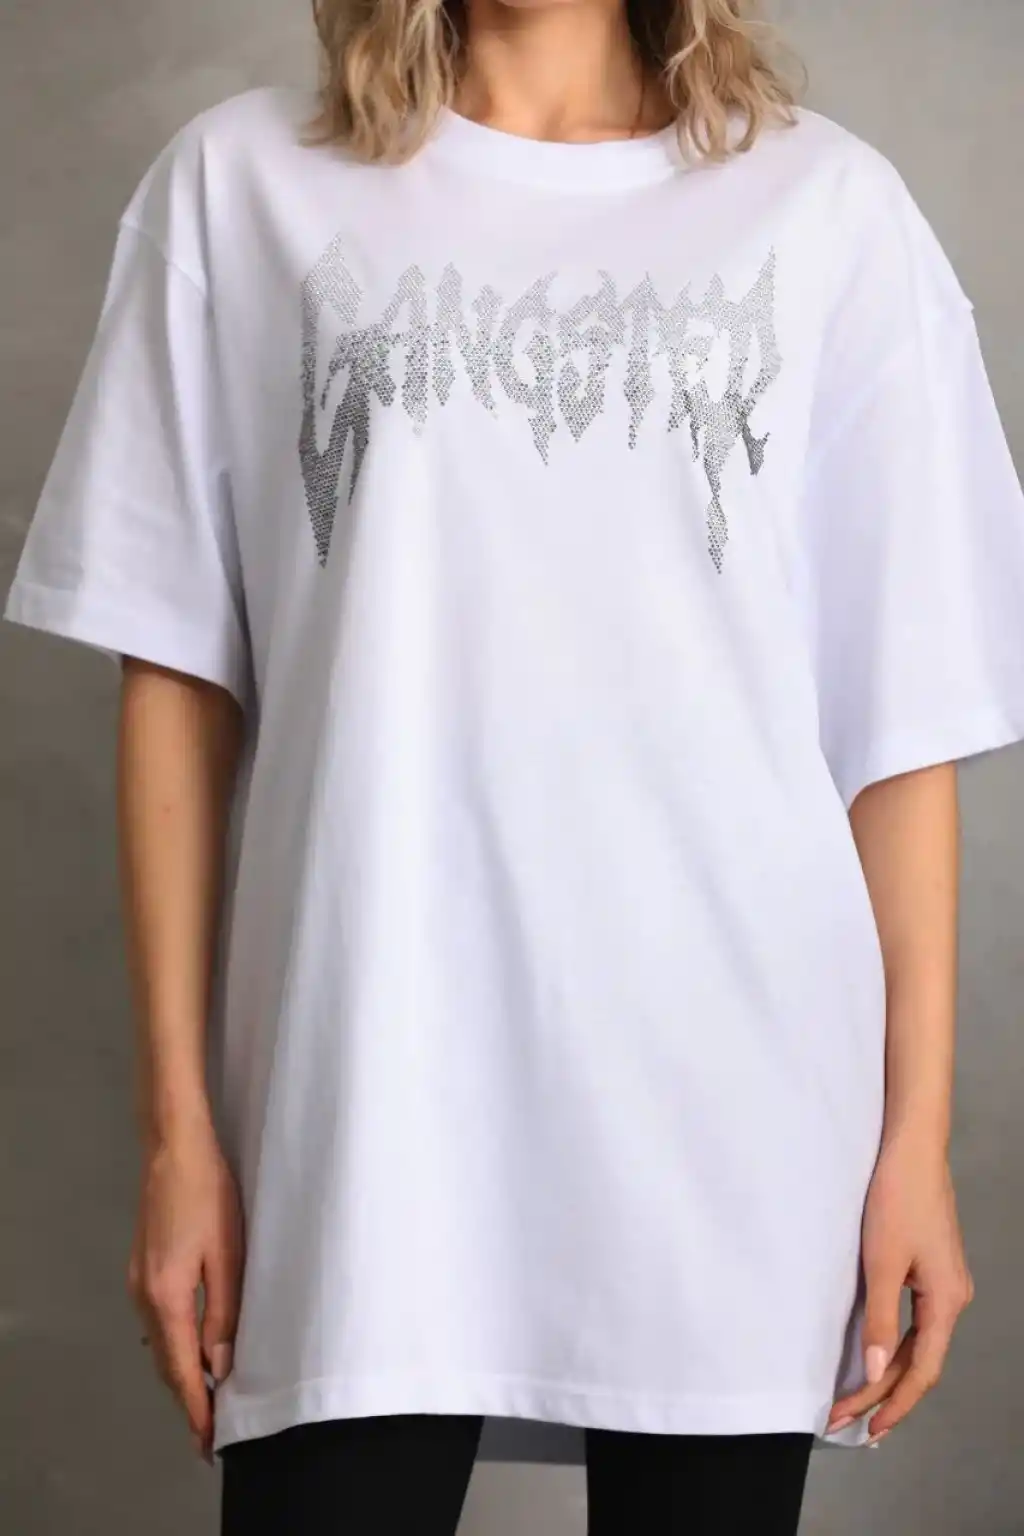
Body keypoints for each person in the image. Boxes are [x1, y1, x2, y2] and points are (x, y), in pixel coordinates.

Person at [5, 0, 1024, 1530]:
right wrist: (180, 1134)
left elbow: (898, 728)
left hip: (733, 1100)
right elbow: (175, 677)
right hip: (366, 1095)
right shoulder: (241, 187)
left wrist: (914, 1145)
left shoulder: (829, 208)